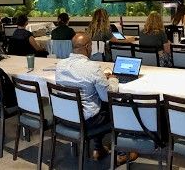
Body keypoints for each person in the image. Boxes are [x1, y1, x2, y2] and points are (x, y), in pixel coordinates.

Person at [55, 33, 137, 164]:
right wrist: (113, 79)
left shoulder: (60, 65)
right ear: (87, 47)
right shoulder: (92, 67)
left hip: (65, 118)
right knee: (117, 107)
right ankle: (122, 153)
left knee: (96, 105)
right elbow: (108, 95)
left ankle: (98, 149)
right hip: (87, 121)